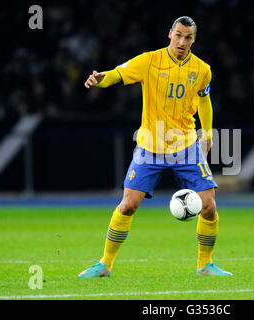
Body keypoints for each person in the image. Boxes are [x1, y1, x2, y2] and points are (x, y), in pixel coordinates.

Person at [78, 16, 232, 277]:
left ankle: (205, 265)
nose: (182, 41)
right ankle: (105, 264)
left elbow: (204, 101)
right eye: (179, 35)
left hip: (186, 146)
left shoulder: (202, 69)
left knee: (209, 206)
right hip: (150, 146)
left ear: (194, 40)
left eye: (188, 37)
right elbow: (115, 74)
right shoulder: (149, 60)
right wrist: (99, 79)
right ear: (169, 34)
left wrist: (207, 135)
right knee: (128, 204)